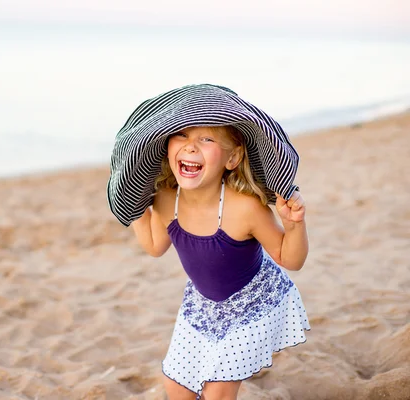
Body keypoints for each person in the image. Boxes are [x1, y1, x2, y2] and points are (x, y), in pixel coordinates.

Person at [131, 124, 310, 400]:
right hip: (202, 305)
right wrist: (135, 210)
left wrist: (294, 225)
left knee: (218, 393)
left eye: (206, 139)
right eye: (182, 135)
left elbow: (291, 259)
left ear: (232, 158)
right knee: (176, 387)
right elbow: (155, 246)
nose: (190, 146)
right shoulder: (167, 199)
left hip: (255, 303)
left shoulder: (246, 207)